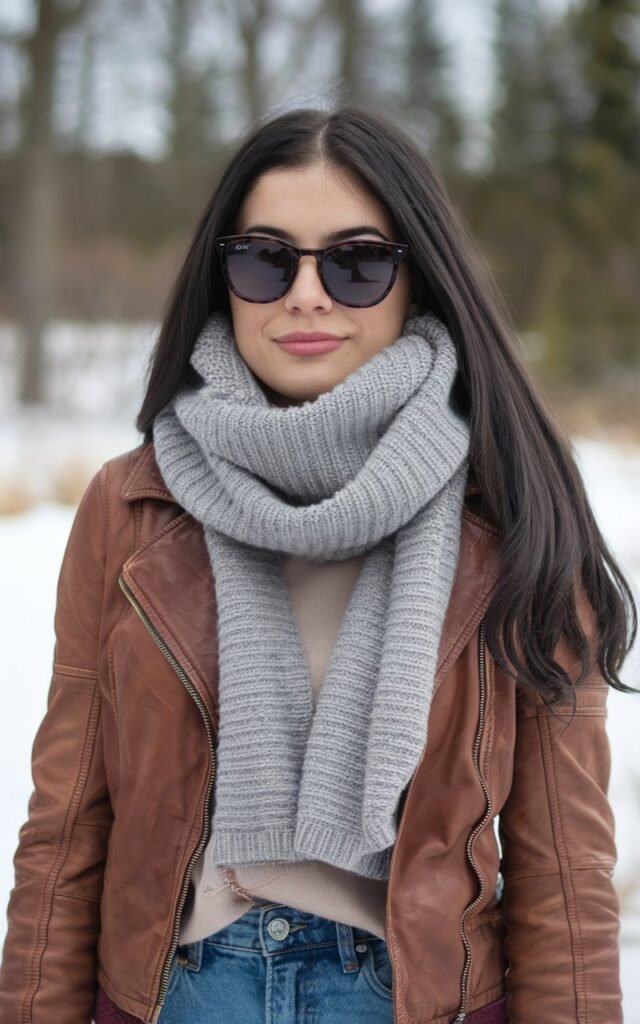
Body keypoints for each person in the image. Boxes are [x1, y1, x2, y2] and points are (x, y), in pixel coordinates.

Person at [0, 102, 636, 1024]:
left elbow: (562, 868)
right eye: (265, 258)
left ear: (418, 279)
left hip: (412, 997)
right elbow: (67, 825)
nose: (307, 294)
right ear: (224, 280)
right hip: (179, 994)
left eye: (357, 261)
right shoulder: (133, 506)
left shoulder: (514, 506)